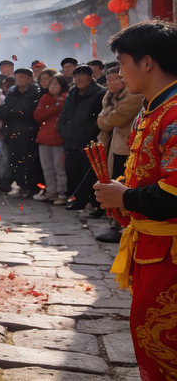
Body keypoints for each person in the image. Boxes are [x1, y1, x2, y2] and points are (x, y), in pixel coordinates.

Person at [94, 21, 177, 381]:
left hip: (170, 252)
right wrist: (123, 190)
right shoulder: (151, 109)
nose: (118, 72)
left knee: (163, 340)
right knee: (147, 334)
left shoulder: (174, 114)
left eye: (122, 63)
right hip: (150, 245)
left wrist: (125, 195)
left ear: (147, 62)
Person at [94, 63, 143, 243]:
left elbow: (112, 119)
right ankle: (115, 222)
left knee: (124, 183)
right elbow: (102, 119)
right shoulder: (110, 96)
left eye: (116, 78)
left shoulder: (132, 96)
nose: (112, 82)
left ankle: (121, 224)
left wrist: (106, 117)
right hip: (115, 146)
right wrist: (106, 117)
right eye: (109, 79)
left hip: (126, 148)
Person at [57, 65, 105, 212]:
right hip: (70, 141)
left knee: (90, 175)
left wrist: (87, 135)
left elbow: (98, 120)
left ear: (90, 77)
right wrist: (63, 131)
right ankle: (79, 200)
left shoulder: (100, 93)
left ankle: (95, 203)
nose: (79, 78)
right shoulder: (72, 92)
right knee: (73, 172)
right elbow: (64, 116)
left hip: (89, 141)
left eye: (82, 75)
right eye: (76, 75)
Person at [0, 68, 42, 198]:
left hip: (29, 133)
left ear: (29, 78)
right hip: (12, 132)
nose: (19, 80)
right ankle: (22, 185)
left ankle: (32, 187)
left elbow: (28, 111)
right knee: (15, 161)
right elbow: (3, 110)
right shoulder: (12, 91)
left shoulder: (35, 91)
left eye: (23, 77)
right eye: (17, 77)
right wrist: (12, 112)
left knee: (30, 163)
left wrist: (13, 112)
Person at [33, 74, 69, 204]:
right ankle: (51, 191)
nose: (53, 87)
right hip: (44, 138)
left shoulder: (66, 97)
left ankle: (62, 193)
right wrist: (53, 106)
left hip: (58, 139)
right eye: (51, 84)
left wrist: (50, 108)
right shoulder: (45, 97)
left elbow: (45, 113)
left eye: (56, 84)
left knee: (59, 168)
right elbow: (38, 115)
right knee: (47, 168)